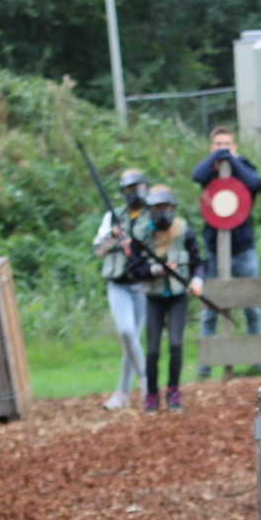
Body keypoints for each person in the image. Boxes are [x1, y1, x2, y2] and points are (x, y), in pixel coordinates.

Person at [189, 126, 261, 376]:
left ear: (236, 146)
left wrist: (232, 159)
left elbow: (255, 183)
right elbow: (195, 175)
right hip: (214, 249)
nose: (223, 148)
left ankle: (257, 362)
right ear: (211, 147)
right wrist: (216, 158)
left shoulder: (244, 167)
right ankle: (205, 366)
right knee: (211, 308)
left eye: (228, 144)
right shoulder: (209, 171)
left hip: (243, 248)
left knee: (252, 305)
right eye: (218, 144)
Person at [136, 184, 204, 413]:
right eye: (156, 207)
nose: (161, 212)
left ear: (172, 208)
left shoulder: (184, 230)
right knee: (153, 349)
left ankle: (174, 390)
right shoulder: (142, 234)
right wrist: (156, 270)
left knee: (176, 344)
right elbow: (134, 268)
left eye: (165, 207)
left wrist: (197, 281)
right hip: (154, 297)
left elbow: (198, 262)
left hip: (177, 296)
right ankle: (152, 394)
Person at [93, 169, 151, 411]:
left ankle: (122, 392)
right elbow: (98, 249)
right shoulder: (112, 217)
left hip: (143, 285)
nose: (132, 194)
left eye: (135, 188)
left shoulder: (152, 214)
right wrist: (115, 237)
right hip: (118, 285)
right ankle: (147, 381)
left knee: (132, 340)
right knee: (127, 333)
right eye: (127, 190)